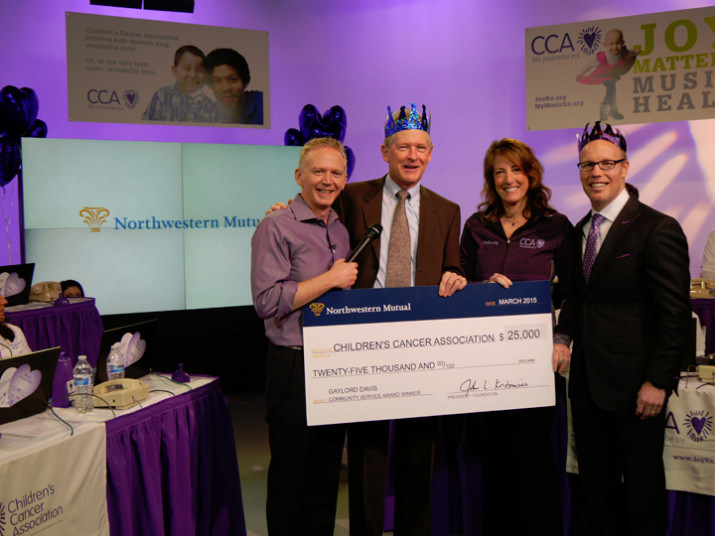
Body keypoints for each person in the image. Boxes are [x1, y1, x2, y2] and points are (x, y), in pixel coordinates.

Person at [335, 103, 466, 536]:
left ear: (430, 154)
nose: (413, 155)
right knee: (368, 447)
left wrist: (458, 276)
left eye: (421, 148)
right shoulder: (353, 196)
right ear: (385, 151)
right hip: (364, 337)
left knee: (418, 448)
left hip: (420, 342)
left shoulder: (447, 210)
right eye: (403, 147)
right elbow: (318, 224)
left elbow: (454, 268)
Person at [565, 121, 691, 535]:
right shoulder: (579, 232)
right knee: (596, 493)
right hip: (586, 387)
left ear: (625, 167)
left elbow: (674, 314)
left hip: (637, 391)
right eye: (587, 165)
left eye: (606, 163)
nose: (596, 172)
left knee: (641, 492)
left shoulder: (657, 228)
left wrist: (658, 380)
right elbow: (576, 303)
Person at [459, 138, 574, 535]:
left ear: (531, 174)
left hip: (535, 361)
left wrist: (561, 338)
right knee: (495, 458)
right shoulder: (476, 227)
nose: (509, 179)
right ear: (491, 180)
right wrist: (481, 287)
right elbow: (457, 284)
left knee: (535, 457)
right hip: (486, 360)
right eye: (499, 172)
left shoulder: (557, 226)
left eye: (516, 170)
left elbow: (575, 293)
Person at [251, 137, 357, 535]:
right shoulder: (275, 226)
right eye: (318, 171)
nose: (327, 180)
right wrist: (330, 279)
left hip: (335, 364)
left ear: (345, 179)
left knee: (325, 478)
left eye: (336, 173)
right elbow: (266, 300)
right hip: (293, 365)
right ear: (299, 176)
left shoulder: (341, 229)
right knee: (291, 478)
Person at [576, 29, 639, 122]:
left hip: (612, 75)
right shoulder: (604, 56)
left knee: (612, 90)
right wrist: (581, 74)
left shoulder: (624, 53)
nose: (615, 47)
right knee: (611, 88)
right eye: (611, 44)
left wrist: (637, 52)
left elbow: (632, 53)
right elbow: (590, 65)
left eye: (618, 43)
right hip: (602, 75)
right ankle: (606, 108)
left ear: (622, 43)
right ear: (606, 45)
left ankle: (612, 110)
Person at [141, 45, 216, 122]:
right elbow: (146, 125)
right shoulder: (161, 96)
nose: (193, 75)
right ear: (174, 71)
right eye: (187, 68)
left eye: (199, 70)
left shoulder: (209, 106)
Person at [204, 48, 263, 125]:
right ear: (210, 85)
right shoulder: (207, 113)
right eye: (217, 80)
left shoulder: (262, 104)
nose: (226, 88)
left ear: (244, 82)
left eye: (233, 79)